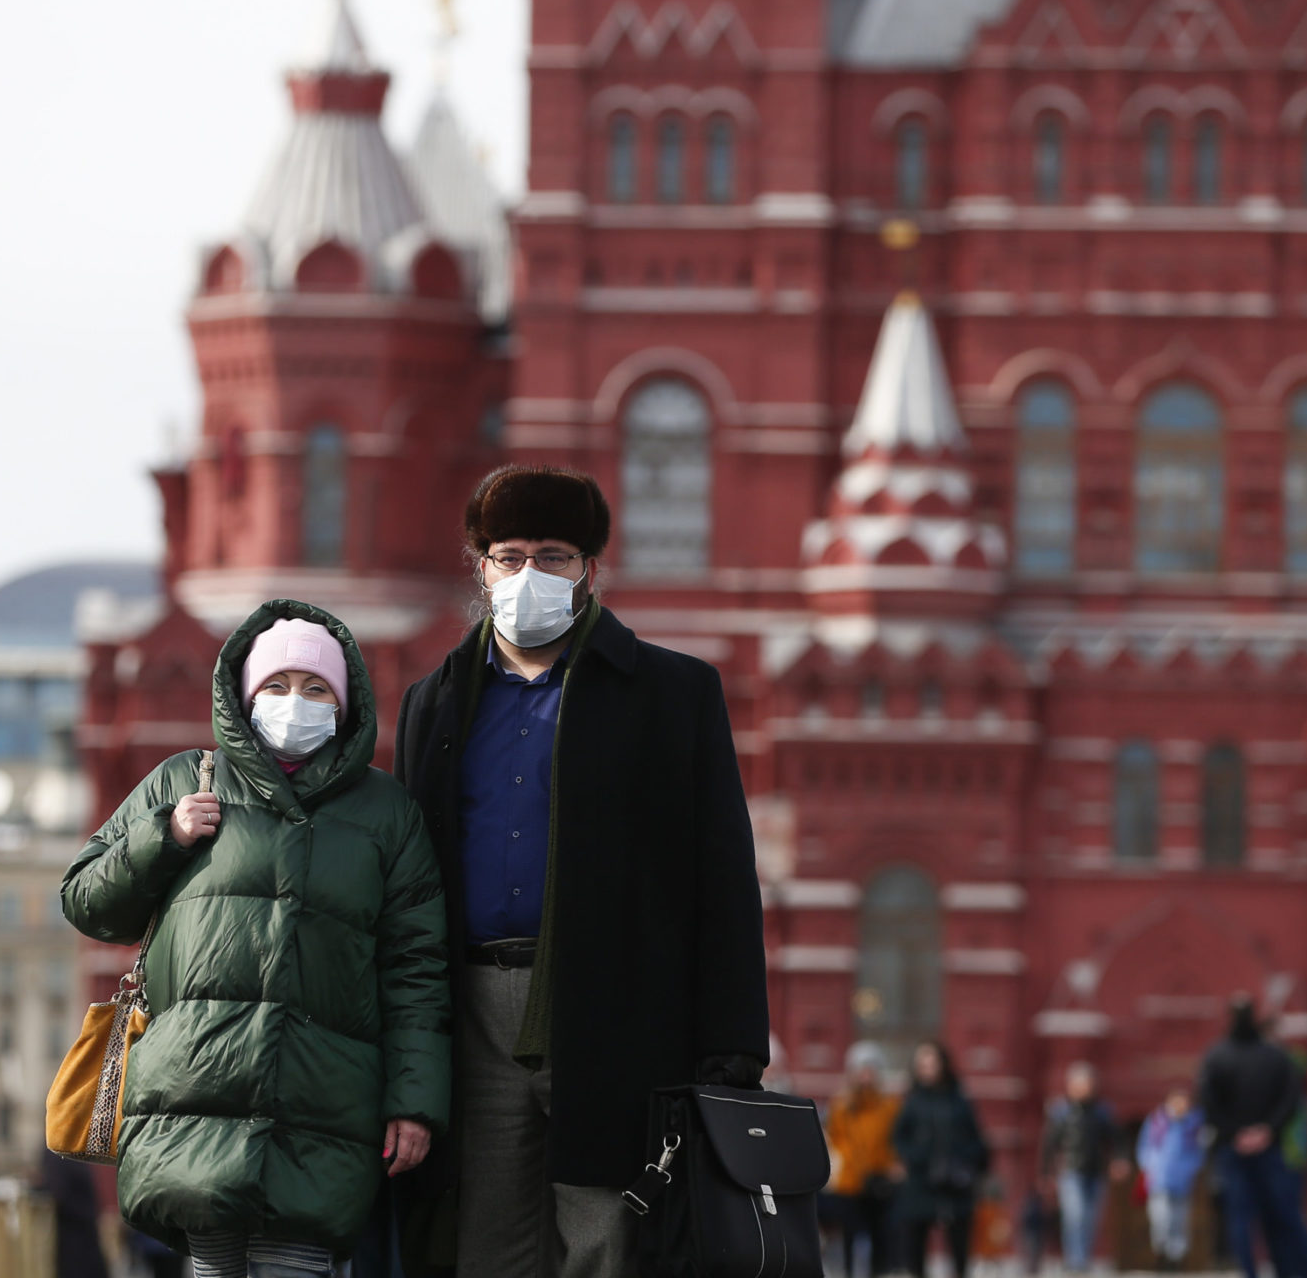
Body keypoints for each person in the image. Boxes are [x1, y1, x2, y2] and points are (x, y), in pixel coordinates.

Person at [392, 466, 769, 1278]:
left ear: (590, 568)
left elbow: (723, 877)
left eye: (554, 556)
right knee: (486, 1241)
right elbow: (406, 883)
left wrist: (734, 1044)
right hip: (474, 1009)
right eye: (510, 555)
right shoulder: (434, 701)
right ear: (481, 567)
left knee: (606, 1233)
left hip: (615, 1006)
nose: (529, 574)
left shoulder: (671, 694)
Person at [62, 602, 451, 1278]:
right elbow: (86, 901)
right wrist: (164, 836)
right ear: (245, 696)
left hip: (321, 1105)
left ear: (344, 704)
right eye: (277, 684)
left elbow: (415, 969)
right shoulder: (186, 780)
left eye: (316, 688)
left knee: (298, 1262)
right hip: (195, 1092)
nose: (294, 702)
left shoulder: (387, 814)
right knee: (213, 1265)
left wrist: (413, 1103)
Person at [1197, 995, 1307, 1278]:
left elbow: (1208, 1103)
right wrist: (1267, 1131)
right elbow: (1291, 1099)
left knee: (1243, 1219)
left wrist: (1235, 1134)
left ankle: (1252, 1272)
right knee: (1279, 1217)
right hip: (1267, 1149)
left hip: (1236, 1151)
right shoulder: (1275, 1056)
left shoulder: (1217, 1056)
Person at [892, 1041, 988, 1278]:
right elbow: (898, 1138)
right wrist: (916, 1156)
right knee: (914, 1242)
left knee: (959, 1245)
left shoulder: (959, 1100)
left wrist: (965, 1162)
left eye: (931, 1063)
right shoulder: (912, 1102)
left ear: (943, 1064)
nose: (927, 1069)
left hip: (955, 1184)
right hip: (920, 1182)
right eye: (922, 1064)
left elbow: (976, 1140)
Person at [822, 1041, 902, 1278]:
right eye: (861, 1069)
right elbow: (835, 1139)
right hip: (849, 1181)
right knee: (847, 1235)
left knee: (880, 1236)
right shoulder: (841, 1105)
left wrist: (890, 1166)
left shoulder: (889, 1106)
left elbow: (893, 1140)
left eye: (870, 1069)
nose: (866, 1075)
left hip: (879, 1180)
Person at [1038, 1062, 1120, 1274]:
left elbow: (1116, 1139)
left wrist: (1119, 1160)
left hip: (1096, 1171)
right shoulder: (1062, 1112)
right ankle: (1075, 1261)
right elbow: (1049, 1143)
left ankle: (1084, 1258)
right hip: (1071, 1171)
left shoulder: (1102, 1112)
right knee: (1075, 1215)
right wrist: (1045, 1172)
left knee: (1091, 1219)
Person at [1136, 1088, 1206, 1270]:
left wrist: (1191, 1169)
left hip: (1183, 1180)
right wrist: (1150, 1167)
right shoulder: (1156, 1121)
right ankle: (1161, 1250)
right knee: (1161, 1217)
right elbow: (1145, 1146)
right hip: (1159, 1178)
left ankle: (1176, 1257)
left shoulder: (1194, 1124)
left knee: (1179, 1220)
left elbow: (1199, 1151)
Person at [39, 1149, 112, 1278]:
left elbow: (57, 1191)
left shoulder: (60, 1151)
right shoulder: (67, 1151)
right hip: (78, 1234)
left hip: (77, 1235)